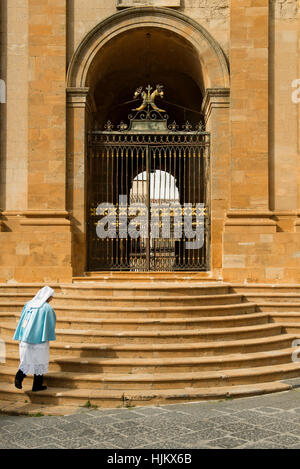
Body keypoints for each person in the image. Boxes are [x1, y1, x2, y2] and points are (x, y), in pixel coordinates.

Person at [13, 286, 56, 392]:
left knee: (26, 358)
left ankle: (19, 377)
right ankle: (37, 385)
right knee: (40, 359)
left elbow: (23, 319)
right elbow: (51, 322)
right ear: (48, 296)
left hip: (25, 337)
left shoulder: (28, 304)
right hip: (39, 338)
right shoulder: (47, 308)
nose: (52, 299)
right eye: (51, 297)